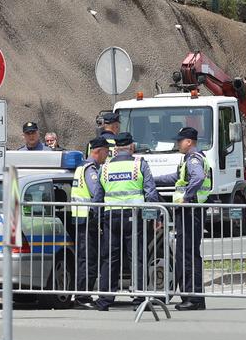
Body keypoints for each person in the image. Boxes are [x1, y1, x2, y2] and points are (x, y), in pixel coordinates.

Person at [95, 131, 160, 311]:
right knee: (137, 258)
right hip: (134, 217)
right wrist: (156, 216)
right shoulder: (139, 164)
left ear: (115, 148)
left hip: (111, 217)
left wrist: (97, 218)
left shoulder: (105, 167)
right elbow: (151, 192)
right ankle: (139, 299)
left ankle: (104, 300)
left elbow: (98, 196)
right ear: (131, 146)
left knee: (110, 258)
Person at [171, 126, 212, 311]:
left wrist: (186, 197)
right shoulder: (189, 159)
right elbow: (176, 178)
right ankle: (193, 297)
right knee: (187, 253)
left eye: (180, 141)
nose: (178, 144)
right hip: (191, 212)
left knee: (188, 255)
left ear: (189, 142)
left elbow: (198, 177)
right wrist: (151, 178)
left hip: (191, 212)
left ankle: (193, 298)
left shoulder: (194, 159)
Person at [70, 135, 111, 307]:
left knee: (86, 258)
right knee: (88, 259)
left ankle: (83, 295)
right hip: (87, 219)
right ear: (99, 151)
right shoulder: (90, 170)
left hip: (83, 218)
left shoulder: (83, 167)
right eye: (106, 153)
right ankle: (83, 297)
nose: (107, 156)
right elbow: (97, 193)